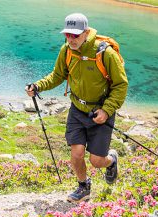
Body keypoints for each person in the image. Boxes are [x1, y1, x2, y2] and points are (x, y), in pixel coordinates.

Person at [25, 13, 128, 202]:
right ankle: (83, 187)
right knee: (77, 153)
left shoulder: (105, 53)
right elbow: (57, 76)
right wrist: (38, 86)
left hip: (100, 112)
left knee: (97, 161)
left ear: (86, 33)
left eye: (75, 35)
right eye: (67, 35)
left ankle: (111, 160)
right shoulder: (66, 51)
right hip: (77, 110)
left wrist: (106, 110)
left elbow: (121, 85)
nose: (71, 39)